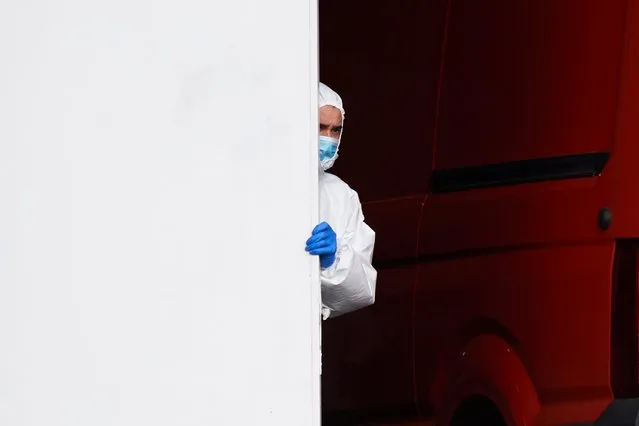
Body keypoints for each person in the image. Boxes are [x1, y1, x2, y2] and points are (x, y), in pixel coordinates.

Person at [305, 82, 377, 319]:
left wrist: (334, 260)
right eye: (320, 127)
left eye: (335, 130)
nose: (329, 138)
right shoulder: (262, 183)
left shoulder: (341, 196)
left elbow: (363, 289)